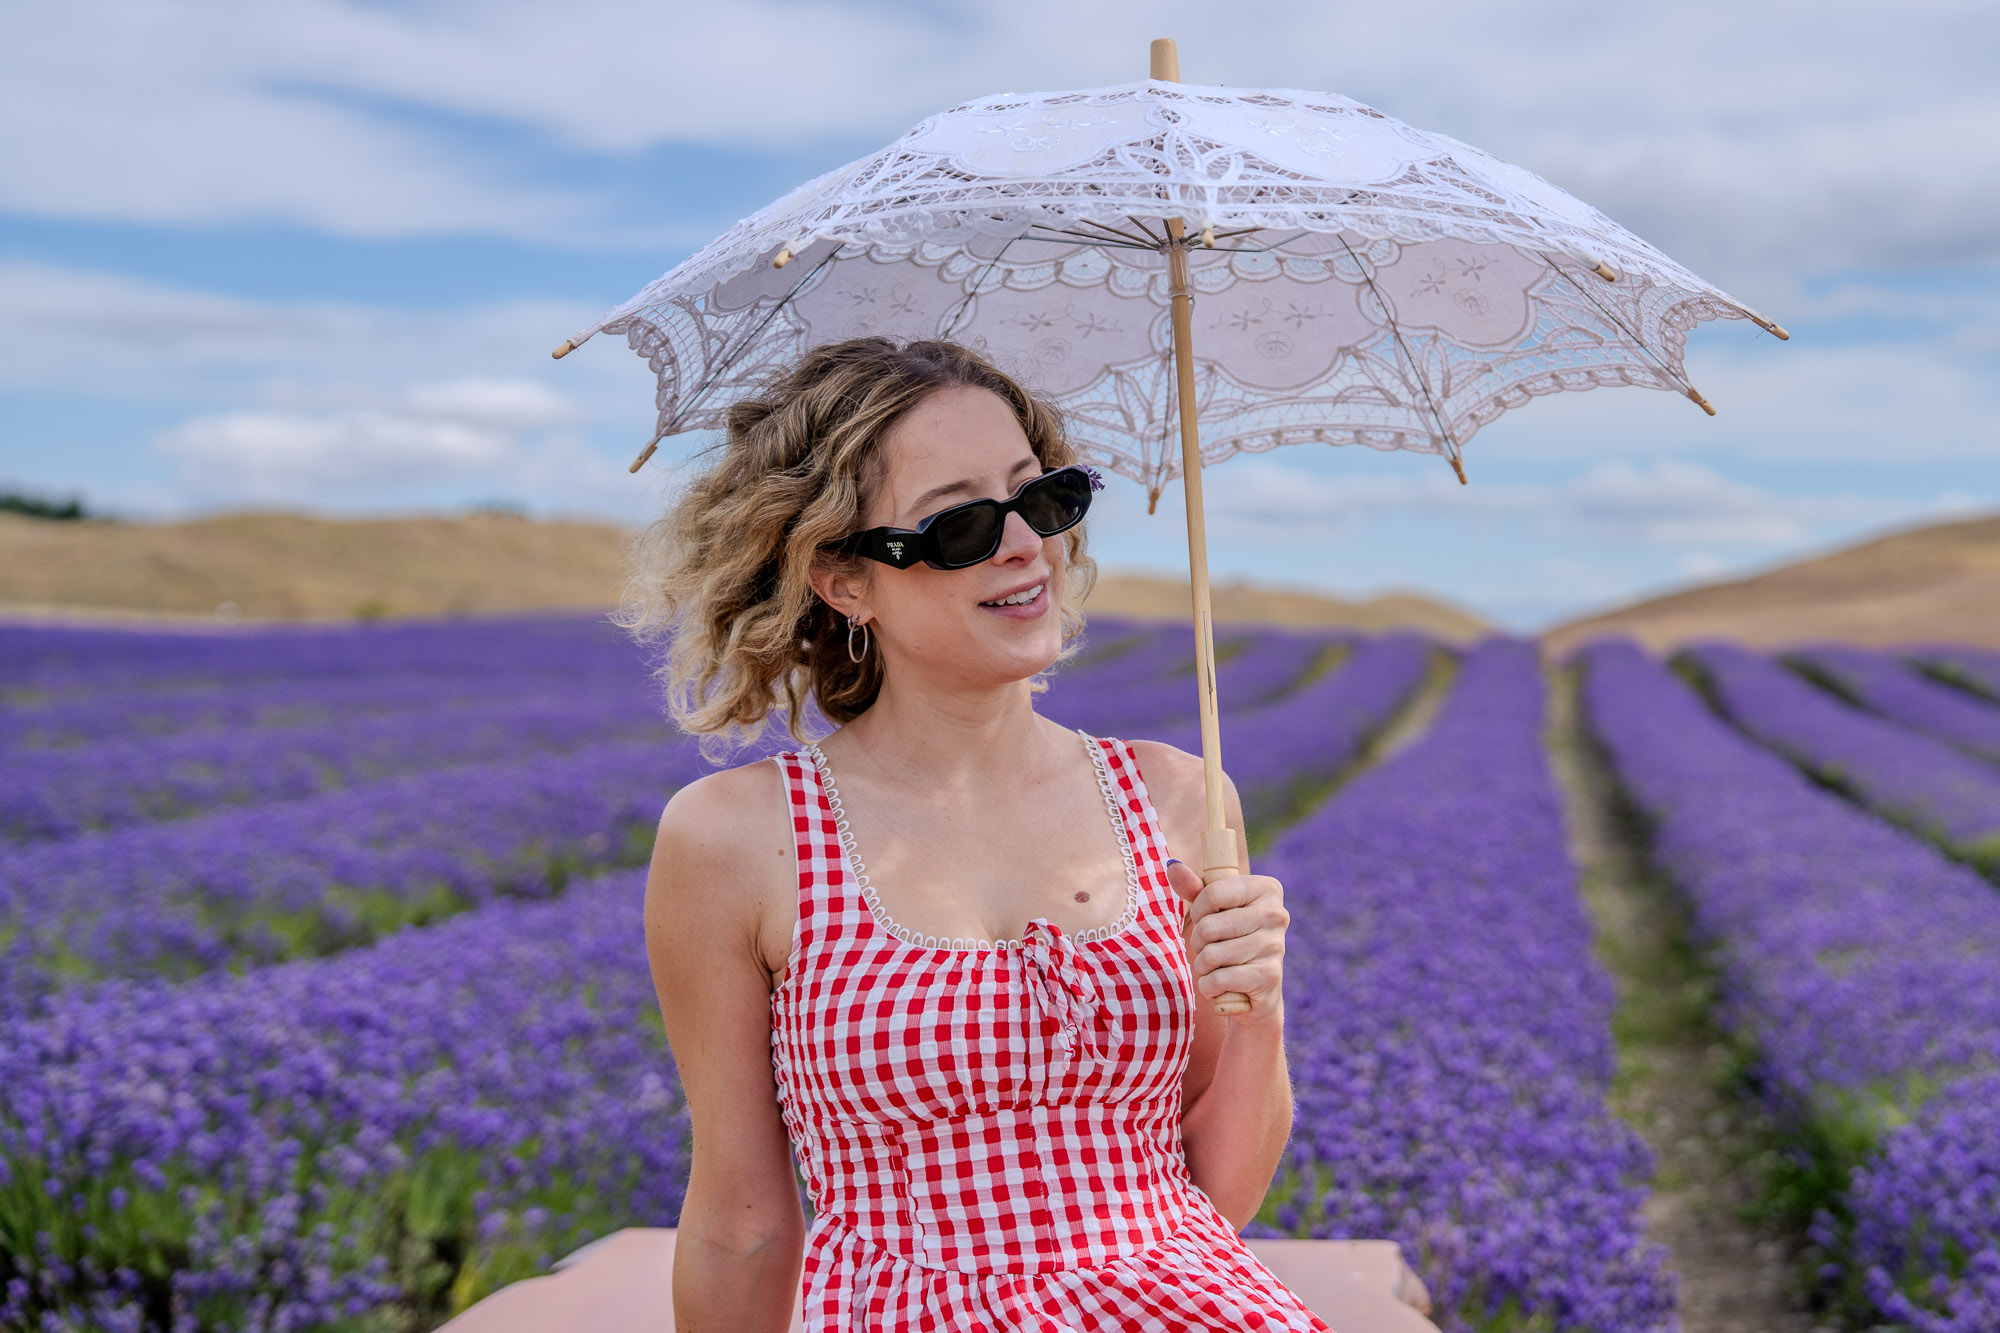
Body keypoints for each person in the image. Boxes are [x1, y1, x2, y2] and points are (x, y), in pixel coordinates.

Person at [625, 336, 1326, 1331]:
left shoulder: (1178, 798)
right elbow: (742, 1221)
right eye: (959, 524)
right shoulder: (738, 838)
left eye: (1040, 498)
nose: (1024, 545)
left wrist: (1258, 1014)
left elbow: (1215, 1203)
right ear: (843, 578)